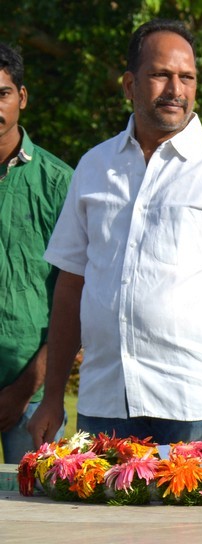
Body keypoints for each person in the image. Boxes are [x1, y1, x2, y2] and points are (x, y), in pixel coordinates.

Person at [27, 19, 202, 447]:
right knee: (104, 516)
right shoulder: (94, 167)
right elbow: (70, 286)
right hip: (106, 404)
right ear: (130, 84)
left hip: (198, 407)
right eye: (161, 75)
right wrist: (52, 397)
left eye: (187, 77)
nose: (176, 90)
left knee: (196, 518)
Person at [0, 43, 72, 463]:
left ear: (21, 98)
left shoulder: (60, 182)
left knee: (38, 519)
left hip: (33, 396)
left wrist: (27, 387)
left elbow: (75, 294)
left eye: (2, 93)